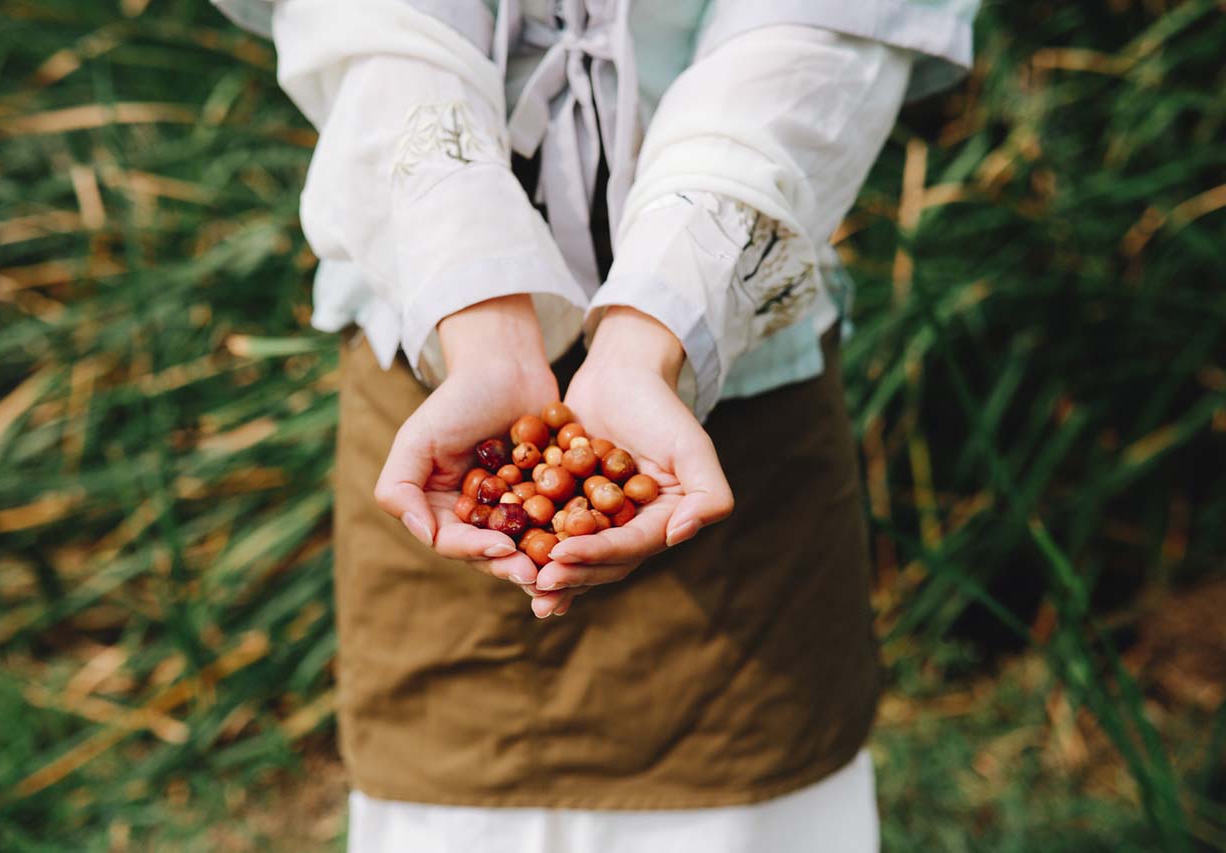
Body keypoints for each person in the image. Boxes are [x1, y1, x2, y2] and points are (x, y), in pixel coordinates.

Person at [212, 0, 977, 849]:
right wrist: (478, 307)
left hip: (736, 368)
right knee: (450, 795)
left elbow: (815, 35)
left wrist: (662, 323)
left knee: (751, 791)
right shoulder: (479, 440)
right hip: (434, 358)